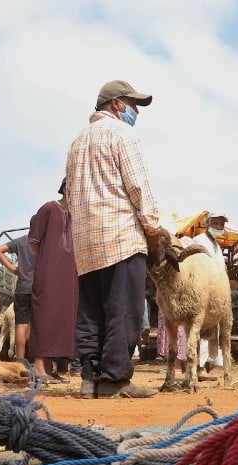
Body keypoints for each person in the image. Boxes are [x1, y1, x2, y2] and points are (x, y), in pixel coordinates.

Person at [66, 79, 163, 399]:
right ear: (116, 104)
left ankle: (89, 377)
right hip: (121, 236)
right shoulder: (122, 134)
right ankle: (115, 379)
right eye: (133, 104)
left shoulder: (76, 143)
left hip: (86, 242)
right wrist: (153, 233)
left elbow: (68, 196)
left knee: (91, 311)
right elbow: (139, 189)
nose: (136, 111)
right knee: (123, 310)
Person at [28, 178, 79, 382]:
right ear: (66, 188)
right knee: (45, 316)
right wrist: (49, 259)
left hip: (70, 275)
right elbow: (34, 242)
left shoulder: (79, 217)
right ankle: (39, 367)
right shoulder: (49, 208)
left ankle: (49, 369)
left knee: (64, 320)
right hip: (49, 272)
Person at [0, 234, 36, 366]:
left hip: (22, 289)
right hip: (40, 290)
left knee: (21, 326)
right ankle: (41, 362)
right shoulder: (45, 241)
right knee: (39, 327)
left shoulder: (21, 241)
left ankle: (20, 361)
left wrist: (12, 268)